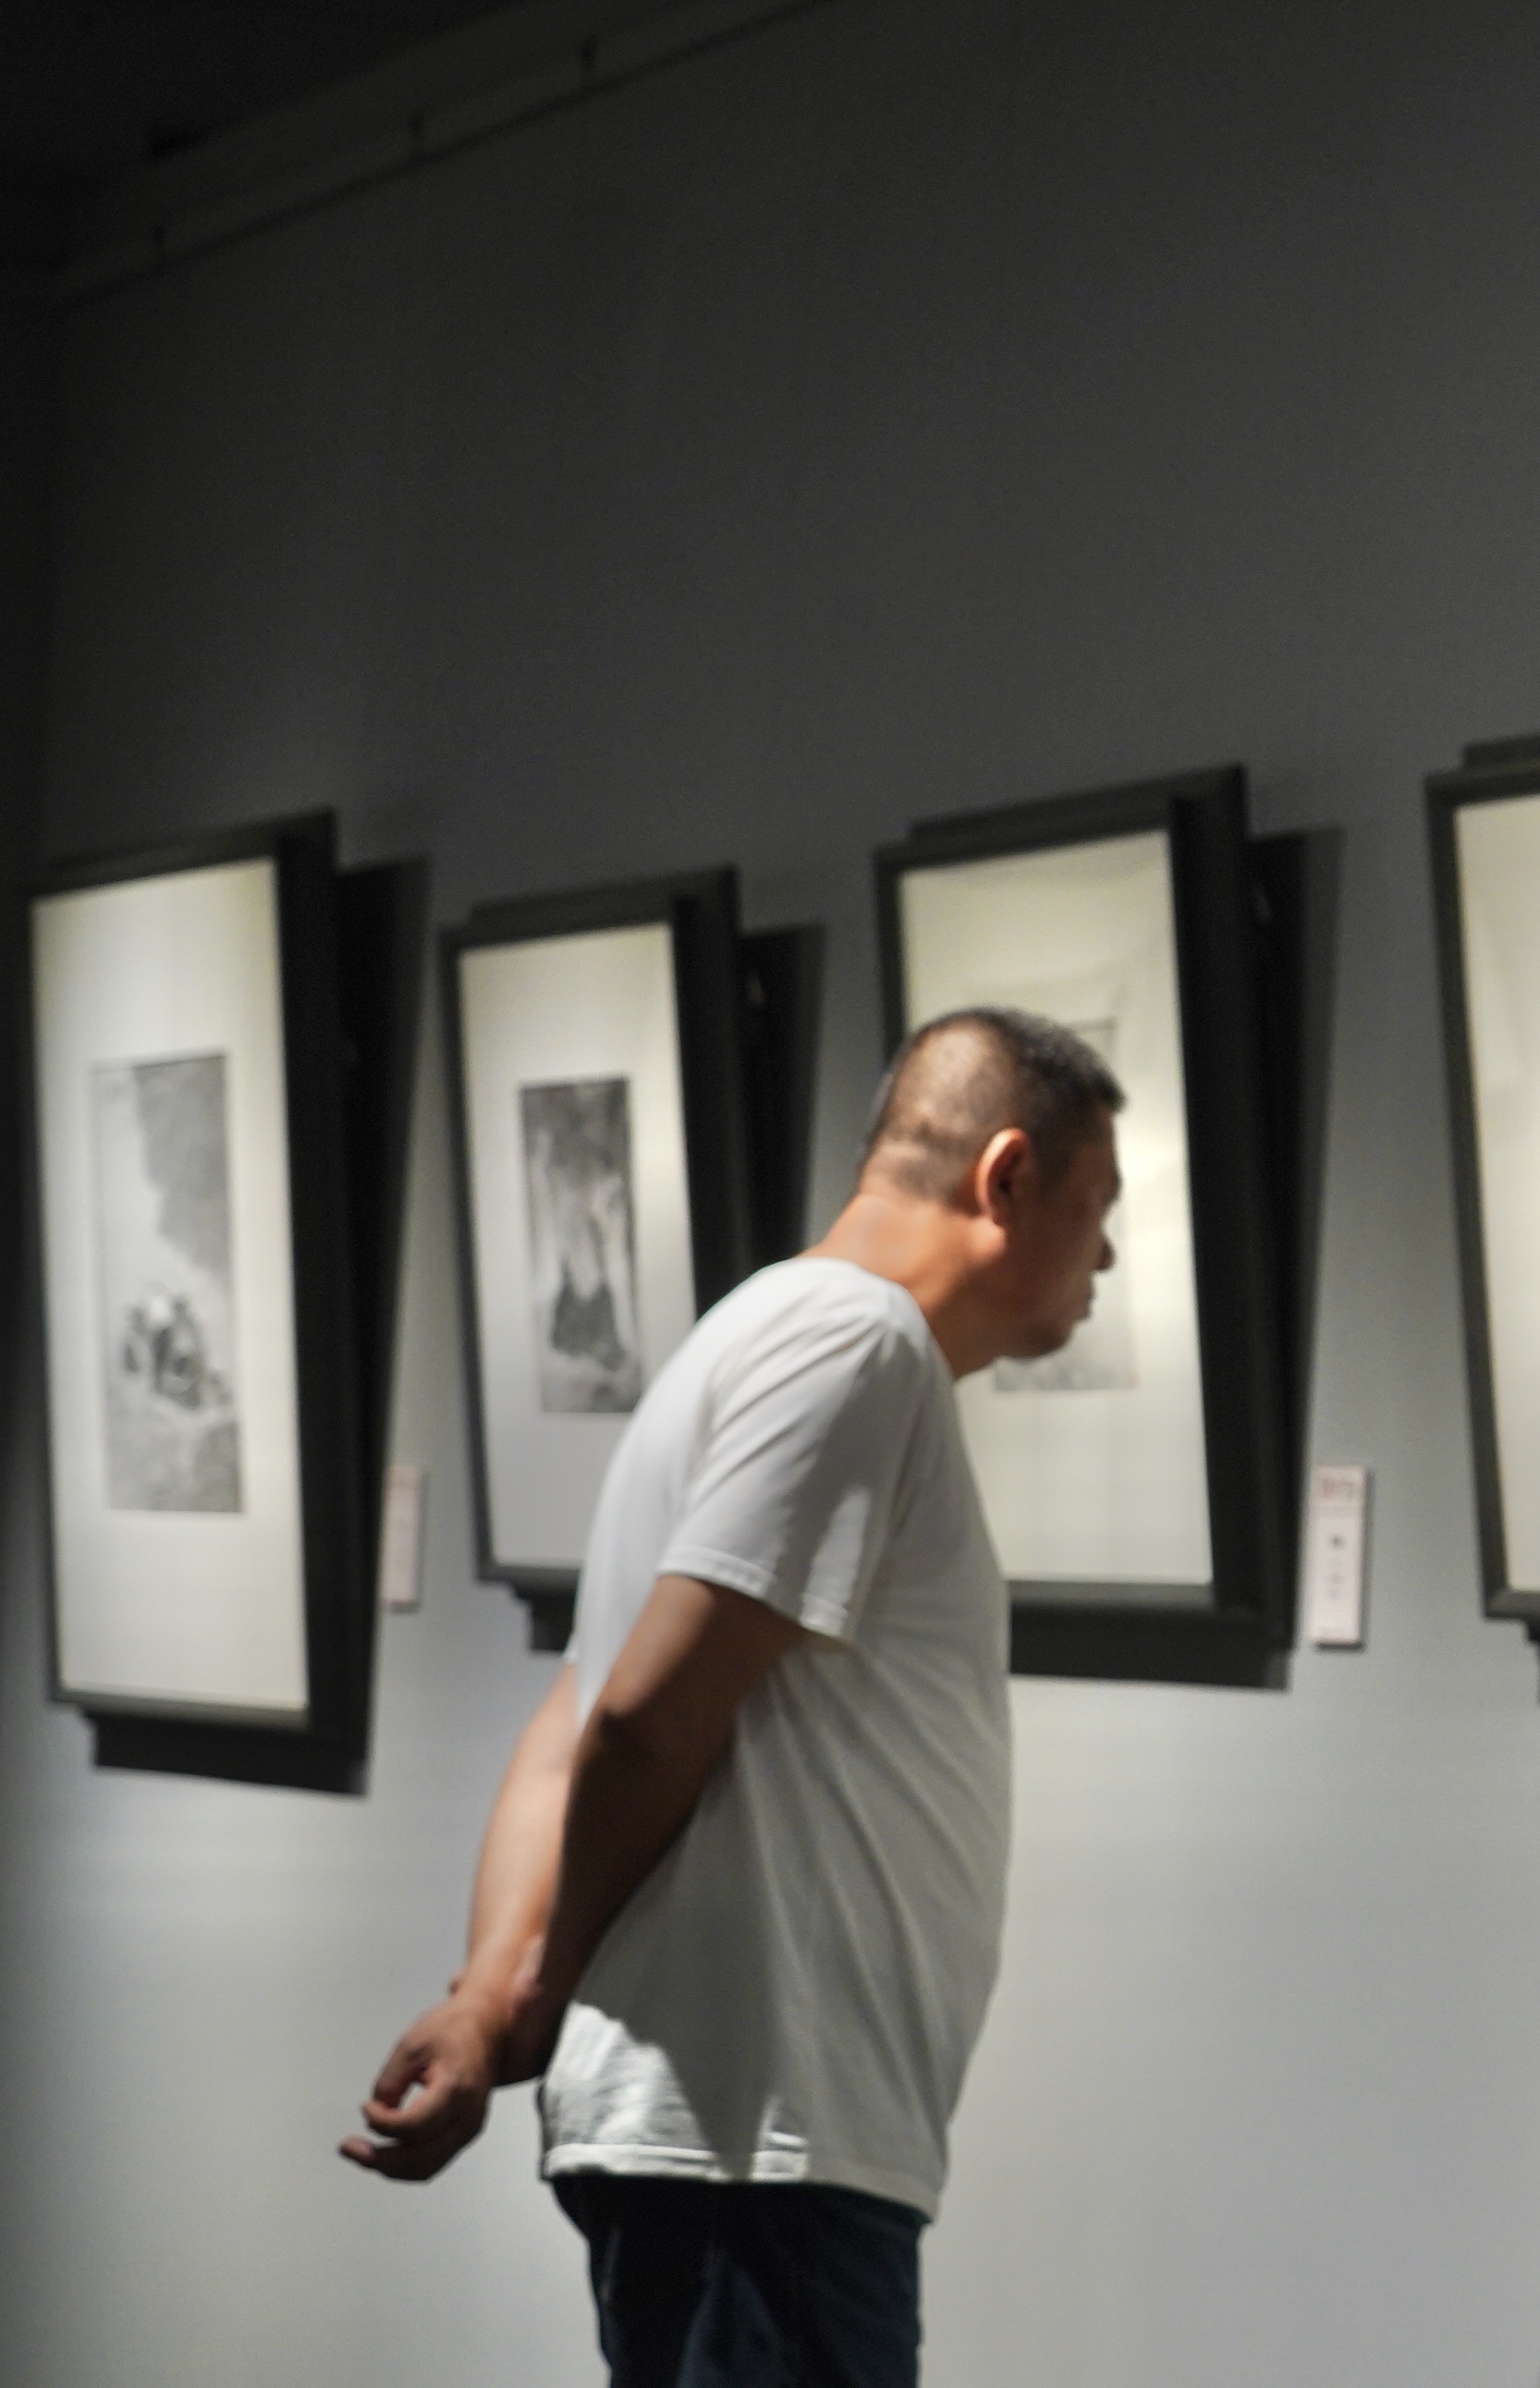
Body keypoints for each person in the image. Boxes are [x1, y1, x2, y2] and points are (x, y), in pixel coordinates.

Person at [340, 1008, 1126, 2388]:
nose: (1107, 1253)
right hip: (759, 2147)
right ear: (1005, 1177)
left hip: (745, 2156)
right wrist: (533, 1989)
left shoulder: (747, 1337)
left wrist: (487, 1995)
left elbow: (568, 1723)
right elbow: (641, 1715)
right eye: (1098, 1205)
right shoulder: (859, 1346)